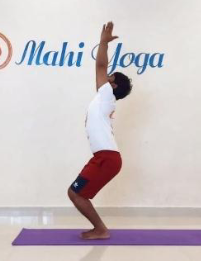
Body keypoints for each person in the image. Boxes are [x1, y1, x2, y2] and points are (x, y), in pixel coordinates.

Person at [67, 21, 133, 240]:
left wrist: (103, 43)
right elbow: (102, 70)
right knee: (76, 193)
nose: (105, 77)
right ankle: (100, 229)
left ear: (112, 85)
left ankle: (101, 230)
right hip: (104, 157)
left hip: (106, 158)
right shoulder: (104, 98)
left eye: (110, 77)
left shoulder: (106, 95)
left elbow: (100, 67)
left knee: (75, 194)